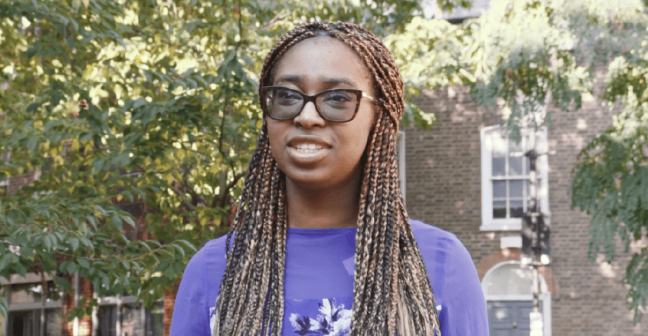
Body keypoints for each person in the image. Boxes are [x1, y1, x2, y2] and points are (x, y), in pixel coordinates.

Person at [170, 21, 488, 336]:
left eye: (337, 98)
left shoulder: (440, 263)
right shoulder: (213, 270)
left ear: (379, 116)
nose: (306, 116)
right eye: (286, 96)